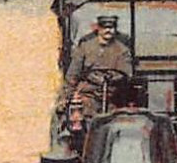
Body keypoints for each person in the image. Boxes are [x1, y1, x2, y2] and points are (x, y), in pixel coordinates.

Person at [56, 13, 134, 143]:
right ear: (98, 28)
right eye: (105, 27)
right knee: (77, 116)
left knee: (115, 123)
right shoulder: (85, 47)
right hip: (89, 94)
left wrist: (112, 78)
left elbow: (127, 73)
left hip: (113, 95)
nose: (108, 30)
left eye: (112, 27)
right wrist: (65, 97)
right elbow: (73, 74)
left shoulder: (122, 50)